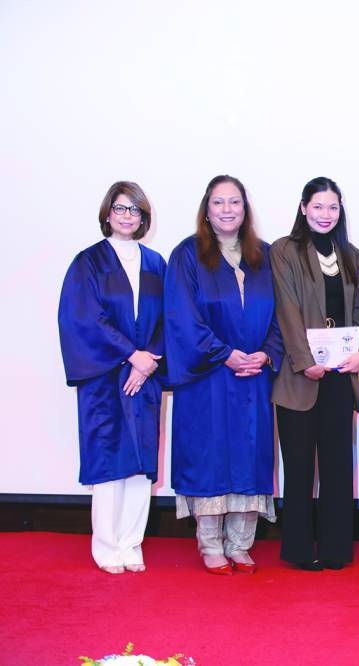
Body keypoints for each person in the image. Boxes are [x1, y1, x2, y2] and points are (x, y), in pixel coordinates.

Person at [164, 175, 283, 576]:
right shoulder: (187, 255)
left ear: (245, 208)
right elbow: (182, 317)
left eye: (235, 202)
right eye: (219, 203)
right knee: (211, 454)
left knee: (250, 454)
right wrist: (225, 354)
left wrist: (267, 354)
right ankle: (211, 544)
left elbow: (284, 314)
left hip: (254, 377)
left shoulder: (265, 255)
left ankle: (241, 543)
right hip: (209, 377)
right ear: (207, 209)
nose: (227, 210)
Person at [57, 181, 165, 574]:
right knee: (107, 461)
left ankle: (131, 542)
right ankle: (106, 544)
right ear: (107, 214)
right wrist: (130, 354)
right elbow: (83, 318)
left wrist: (148, 360)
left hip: (145, 376)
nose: (126, 216)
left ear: (143, 218)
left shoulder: (156, 264)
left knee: (140, 463)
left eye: (134, 210)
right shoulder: (89, 262)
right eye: (120, 209)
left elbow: (169, 319)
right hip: (105, 377)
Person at [271, 177, 359, 571]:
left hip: (340, 374)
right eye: (318, 207)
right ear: (303, 208)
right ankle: (297, 549)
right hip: (300, 376)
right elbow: (286, 309)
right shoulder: (285, 250)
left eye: (333, 207)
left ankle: (335, 549)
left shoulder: (351, 253)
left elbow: (357, 312)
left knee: (337, 466)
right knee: (297, 467)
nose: (325, 215)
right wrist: (303, 359)